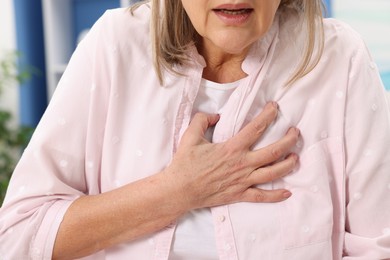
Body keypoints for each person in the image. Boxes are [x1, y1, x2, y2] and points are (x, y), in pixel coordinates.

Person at [1, 0, 389, 259]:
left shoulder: (339, 59)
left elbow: (379, 246)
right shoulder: (114, 46)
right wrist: (177, 191)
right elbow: (17, 236)